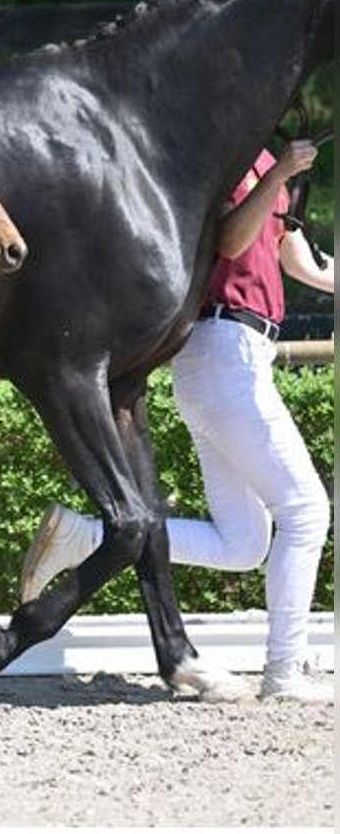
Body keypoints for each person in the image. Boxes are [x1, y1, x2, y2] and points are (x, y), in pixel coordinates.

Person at [19, 139, 334, 703]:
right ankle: (284, 671)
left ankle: (80, 536)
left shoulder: (265, 162)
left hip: (235, 360)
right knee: (307, 510)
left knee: (242, 542)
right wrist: (282, 169)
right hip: (223, 346)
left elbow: (296, 259)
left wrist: (280, 174)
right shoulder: (232, 157)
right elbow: (232, 241)